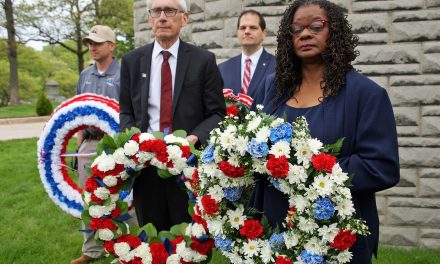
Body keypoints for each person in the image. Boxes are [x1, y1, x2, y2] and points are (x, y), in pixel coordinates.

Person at [250, 1, 400, 263]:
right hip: (274, 225)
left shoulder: (366, 94)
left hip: (334, 232)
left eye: (316, 26)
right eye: (296, 29)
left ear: (336, 32)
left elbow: (381, 166)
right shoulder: (271, 86)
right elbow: (251, 140)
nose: (305, 34)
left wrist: (307, 172)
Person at [119, 0, 226, 231]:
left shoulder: (203, 60)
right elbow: (126, 112)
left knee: (187, 237)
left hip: (186, 166)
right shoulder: (131, 61)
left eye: (170, 10)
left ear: (184, 18)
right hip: (145, 166)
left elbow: (217, 112)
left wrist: (194, 138)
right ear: (149, 18)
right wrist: (135, 142)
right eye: (156, 11)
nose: (162, 17)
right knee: (151, 235)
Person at [71, 25, 120, 264]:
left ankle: (126, 247)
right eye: (90, 43)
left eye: (98, 43)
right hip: (90, 144)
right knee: (89, 197)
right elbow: (77, 113)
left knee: (121, 196)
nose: (92, 47)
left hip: (117, 144)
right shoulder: (84, 75)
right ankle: (92, 251)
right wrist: (79, 146)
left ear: (112, 46)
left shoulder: (124, 73)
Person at [218, 10, 275, 98]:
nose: (247, 31)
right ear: (237, 32)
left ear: (264, 33)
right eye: (243, 28)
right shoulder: (223, 69)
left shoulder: (277, 66)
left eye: (253, 27)